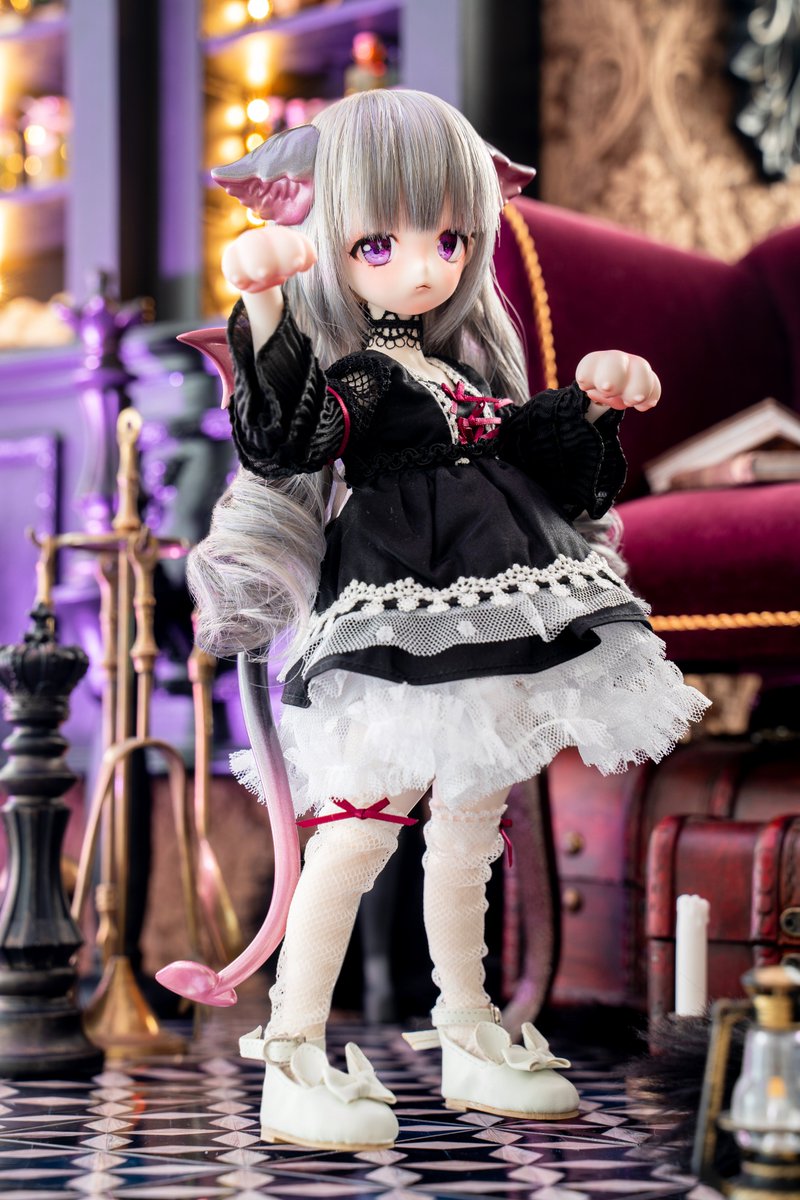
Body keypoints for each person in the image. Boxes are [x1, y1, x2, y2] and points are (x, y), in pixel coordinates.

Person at [163, 89, 709, 1151]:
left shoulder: (454, 370)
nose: (424, 267)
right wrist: (266, 307)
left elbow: (540, 455)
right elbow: (288, 439)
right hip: (397, 607)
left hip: (493, 603)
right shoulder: (362, 377)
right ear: (331, 241)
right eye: (380, 243)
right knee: (363, 828)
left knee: (470, 822)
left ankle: (467, 1024)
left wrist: (594, 402)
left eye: (450, 240)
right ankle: (292, 1048)